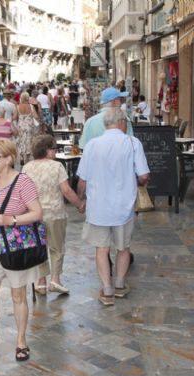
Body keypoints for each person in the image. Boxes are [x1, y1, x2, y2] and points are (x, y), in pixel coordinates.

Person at [0, 139, 42, 362]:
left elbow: (37, 213)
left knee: (18, 295)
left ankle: (21, 341)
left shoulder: (23, 182)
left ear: (9, 159)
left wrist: (11, 220)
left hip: (15, 248)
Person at [76, 108, 149, 306]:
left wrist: (81, 200)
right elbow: (143, 176)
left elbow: (82, 180)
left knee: (102, 249)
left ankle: (107, 289)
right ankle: (119, 284)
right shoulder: (133, 143)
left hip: (98, 207)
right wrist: (137, 181)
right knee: (123, 247)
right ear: (122, 122)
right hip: (123, 208)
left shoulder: (91, 145)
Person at [22, 135, 84, 295]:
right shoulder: (57, 166)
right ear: (47, 150)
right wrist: (79, 204)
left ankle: (41, 282)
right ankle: (55, 280)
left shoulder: (27, 167)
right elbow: (66, 190)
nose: (56, 151)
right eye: (54, 148)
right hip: (55, 213)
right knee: (57, 247)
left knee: (39, 247)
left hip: (34, 215)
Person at [16, 92, 40, 165]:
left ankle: (21, 157)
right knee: (28, 141)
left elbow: (15, 117)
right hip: (29, 126)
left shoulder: (18, 106)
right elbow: (36, 116)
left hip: (20, 126)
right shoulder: (31, 106)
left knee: (21, 141)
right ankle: (27, 158)